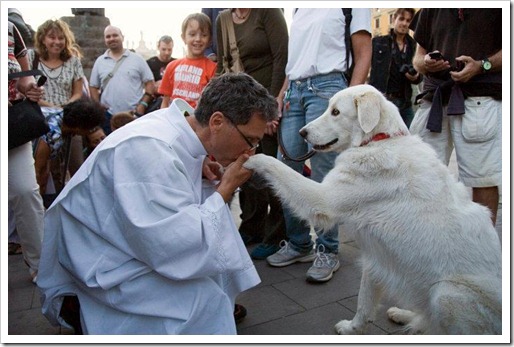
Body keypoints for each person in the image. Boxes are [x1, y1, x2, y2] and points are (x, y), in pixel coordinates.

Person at [37, 72, 277, 334]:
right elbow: (171, 245)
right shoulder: (149, 149)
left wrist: (199, 169)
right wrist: (226, 188)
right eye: (250, 140)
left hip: (124, 244)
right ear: (217, 121)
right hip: (101, 264)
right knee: (203, 300)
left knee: (215, 278)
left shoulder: (179, 130)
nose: (250, 152)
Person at [266, 8, 372, 283]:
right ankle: (299, 243)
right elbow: (294, 62)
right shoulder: (299, 8)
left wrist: (349, 101)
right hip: (294, 91)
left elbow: (363, 55)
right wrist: (280, 96)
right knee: (286, 165)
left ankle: (328, 249)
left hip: (328, 89)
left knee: (325, 173)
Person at [409, 9, 502, 226]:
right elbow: (417, 58)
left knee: (482, 178)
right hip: (434, 99)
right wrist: (427, 63)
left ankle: (481, 250)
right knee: (421, 176)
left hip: (479, 98)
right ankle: (429, 245)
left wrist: (482, 65)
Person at [215, 8, 288, 260]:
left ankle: (277, 233)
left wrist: (272, 106)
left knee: (269, 167)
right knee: (245, 165)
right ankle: (251, 226)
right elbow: (222, 65)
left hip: (267, 100)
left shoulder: (267, 11)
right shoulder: (223, 19)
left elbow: (282, 57)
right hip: (240, 106)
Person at [29, 19, 88, 193]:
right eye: (52, 37)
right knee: (41, 168)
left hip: (66, 115)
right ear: (43, 39)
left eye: (61, 38)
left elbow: (77, 92)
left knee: (77, 164)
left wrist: (64, 106)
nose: (57, 42)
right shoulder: (33, 58)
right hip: (38, 117)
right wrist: (50, 106)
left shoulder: (73, 61)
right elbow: (29, 89)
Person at [8, 20, 45, 284]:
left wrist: (30, 88)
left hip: (12, 125)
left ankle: (41, 264)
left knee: (25, 190)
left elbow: (23, 77)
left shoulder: (10, 28)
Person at [89, 25, 155, 132]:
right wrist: (98, 106)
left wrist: (143, 104)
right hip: (108, 116)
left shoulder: (137, 59)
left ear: (122, 37)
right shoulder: (100, 61)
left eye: (115, 35)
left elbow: (150, 83)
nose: (112, 39)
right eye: (108, 36)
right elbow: (93, 86)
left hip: (133, 114)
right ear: (105, 40)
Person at [33, 99, 106, 196]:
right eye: (90, 128)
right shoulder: (53, 133)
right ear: (81, 127)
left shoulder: (57, 114)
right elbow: (38, 171)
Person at [369, 8, 422, 128]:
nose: (404, 23)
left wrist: (416, 77)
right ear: (394, 19)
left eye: (408, 21)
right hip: (383, 101)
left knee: (409, 137)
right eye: (401, 19)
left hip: (405, 102)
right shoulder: (378, 42)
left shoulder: (414, 46)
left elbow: (421, 73)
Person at [159, 13, 217, 109]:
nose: (198, 39)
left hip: (196, 121)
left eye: (204, 35)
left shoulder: (213, 68)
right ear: (183, 38)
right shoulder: (171, 66)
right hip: (173, 119)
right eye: (192, 34)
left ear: (210, 40)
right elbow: (165, 102)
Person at [145, 35, 176, 113]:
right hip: (153, 103)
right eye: (164, 49)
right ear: (158, 47)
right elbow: (146, 86)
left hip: (172, 102)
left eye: (169, 50)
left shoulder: (176, 64)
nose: (166, 53)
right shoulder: (149, 63)